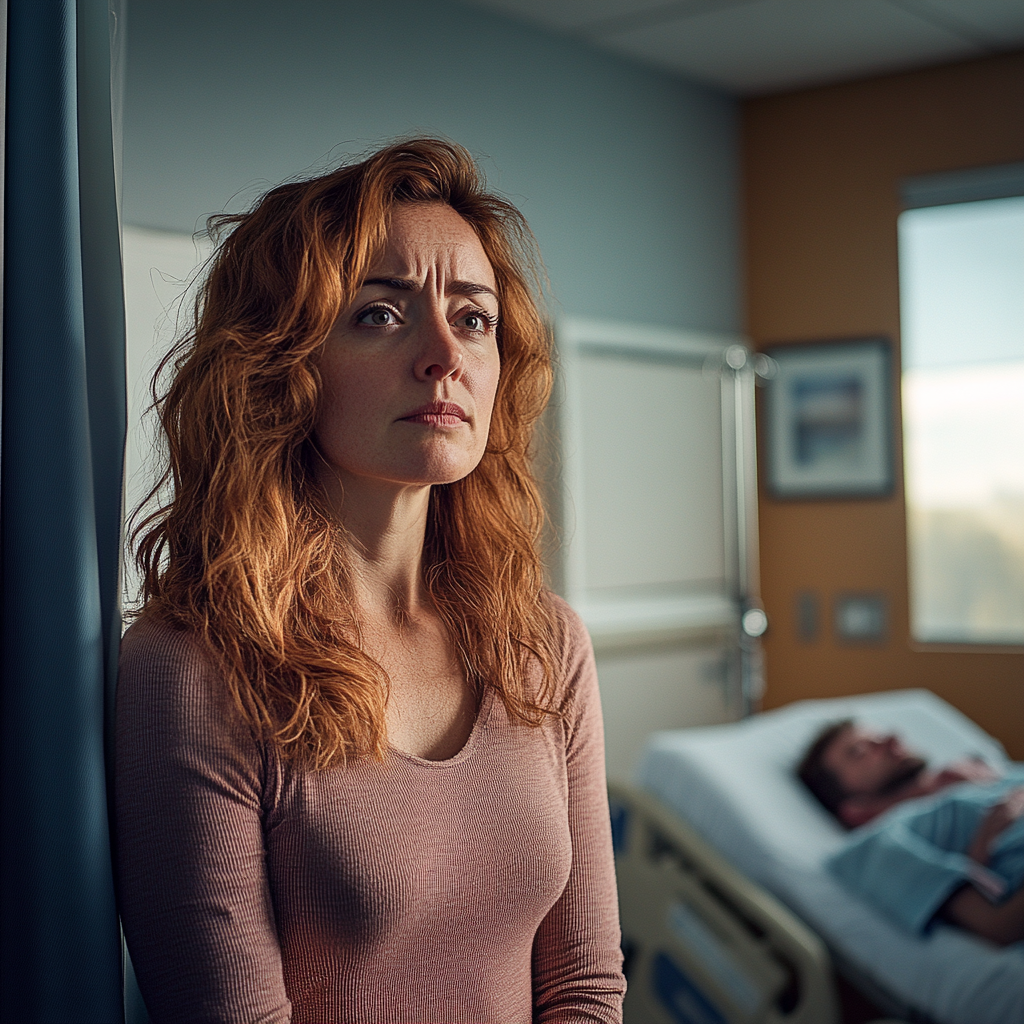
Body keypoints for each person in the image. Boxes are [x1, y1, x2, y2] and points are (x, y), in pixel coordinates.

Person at [115, 139, 626, 1023]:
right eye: (380, 316)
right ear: (281, 364)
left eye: (473, 319)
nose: (444, 356)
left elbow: (585, 985)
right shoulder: (192, 668)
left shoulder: (545, 644)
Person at [798, 719, 1024, 946]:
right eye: (861, 751)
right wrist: (980, 850)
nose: (891, 738)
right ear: (856, 810)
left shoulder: (982, 774)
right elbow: (998, 925)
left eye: (883, 733)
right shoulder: (882, 844)